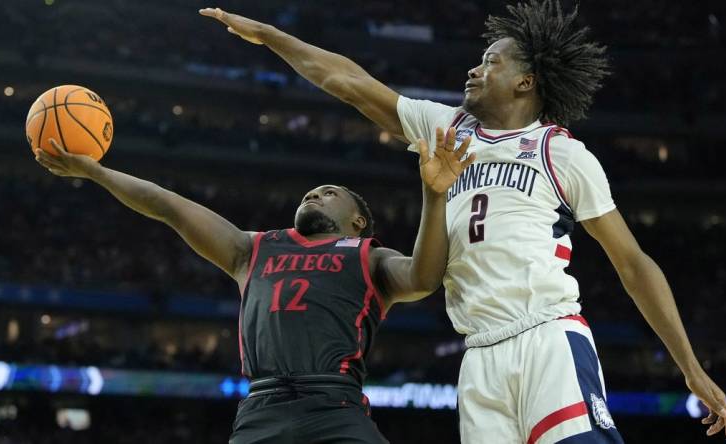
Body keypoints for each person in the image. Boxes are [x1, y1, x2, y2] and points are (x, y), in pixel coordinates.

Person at [199, 0, 726, 442]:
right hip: (477, 356)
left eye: (491, 61)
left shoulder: (562, 154)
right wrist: (272, 36)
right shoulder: (445, 128)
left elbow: (634, 265)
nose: (475, 69)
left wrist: (689, 366)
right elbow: (347, 81)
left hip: (545, 333)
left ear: (527, 81)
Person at [34, 129, 474, 444]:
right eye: (310, 192)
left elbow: (423, 277)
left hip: (334, 409)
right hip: (262, 410)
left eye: (329, 192)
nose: (313, 195)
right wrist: (97, 173)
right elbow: (167, 206)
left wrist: (434, 196)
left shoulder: (368, 256)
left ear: (358, 221)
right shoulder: (252, 248)